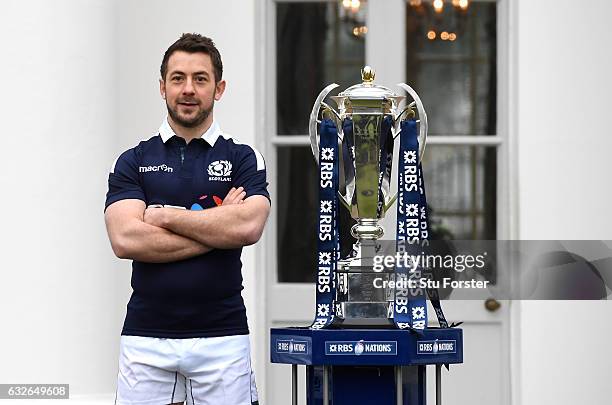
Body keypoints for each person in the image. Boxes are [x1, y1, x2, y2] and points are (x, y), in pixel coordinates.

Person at [104, 33, 270, 405]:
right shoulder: (132, 160)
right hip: (146, 339)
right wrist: (219, 221)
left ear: (219, 87)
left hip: (222, 337)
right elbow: (126, 240)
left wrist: (162, 216)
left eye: (200, 78)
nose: (188, 89)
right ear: (162, 87)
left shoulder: (244, 158)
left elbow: (248, 227)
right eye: (178, 78)